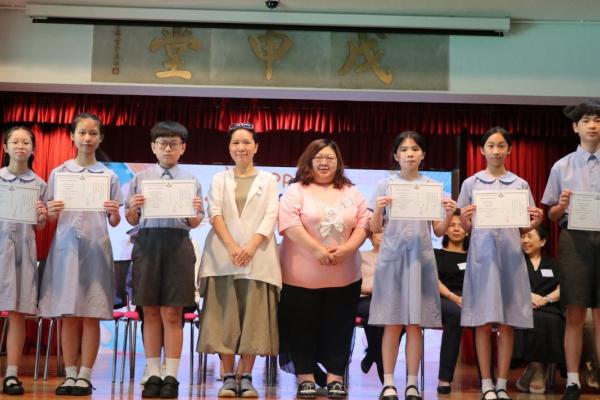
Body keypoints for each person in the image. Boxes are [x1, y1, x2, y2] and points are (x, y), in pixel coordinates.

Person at [278, 138, 370, 399]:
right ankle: (305, 377)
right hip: (299, 277)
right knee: (301, 327)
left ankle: (335, 378)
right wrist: (317, 249)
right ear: (309, 161)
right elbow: (289, 224)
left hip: (344, 277)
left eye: (330, 157)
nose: (324, 162)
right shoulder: (296, 190)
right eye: (318, 157)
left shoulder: (352, 192)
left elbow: (364, 223)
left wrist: (348, 248)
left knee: (339, 328)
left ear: (338, 162)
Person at [39, 113, 122, 396]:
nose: (87, 138)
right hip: (66, 250)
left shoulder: (108, 176)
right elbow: (51, 217)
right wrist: (50, 211)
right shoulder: (59, 173)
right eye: (82, 133)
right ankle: (70, 374)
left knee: (91, 314)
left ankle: (85, 375)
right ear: (72, 136)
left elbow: (114, 222)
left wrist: (114, 213)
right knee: (69, 313)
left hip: (96, 249)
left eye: (93, 133)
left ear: (100, 138)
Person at [369, 131, 456, 400]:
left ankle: (411, 383)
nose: (410, 154)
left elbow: (439, 231)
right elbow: (374, 227)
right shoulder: (385, 185)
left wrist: (449, 213)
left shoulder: (432, 187)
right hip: (392, 260)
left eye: (415, 149)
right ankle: (388, 382)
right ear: (396, 155)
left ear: (423, 155)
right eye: (404, 149)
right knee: (392, 323)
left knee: (415, 324)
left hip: (421, 260)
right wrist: (379, 209)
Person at [458, 126, 543, 400]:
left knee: (507, 324)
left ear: (509, 150)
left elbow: (521, 227)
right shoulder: (471, 184)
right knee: (483, 323)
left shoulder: (520, 185)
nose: (496, 151)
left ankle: (502, 384)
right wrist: (465, 221)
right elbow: (466, 227)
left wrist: (535, 223)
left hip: (510, 260)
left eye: (501, 145)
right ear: (482, 150)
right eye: (491, 146)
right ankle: (486, 383)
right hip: (482, 260)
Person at [197, 122, 281, 398]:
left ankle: (245, 376)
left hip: (259, 257)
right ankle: (226, 377)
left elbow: (271, 215)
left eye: (246, 142)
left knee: (253, 318)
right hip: (222, 257)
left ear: (256, 147)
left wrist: (251, 246)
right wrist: (233, 247)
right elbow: (215, 213)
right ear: (229, 147)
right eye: (236, 142)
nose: (241, 147)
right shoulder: (220, 179)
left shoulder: (269, 180)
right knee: (224, 318)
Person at [125, 121, 204, 398]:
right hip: (147, 243)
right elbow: (131, 219)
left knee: (172, 313)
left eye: (173, 144)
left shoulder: (191, 181)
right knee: (150, 311)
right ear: (153, 147)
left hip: (178, 244)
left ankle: (171, 375)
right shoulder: (140, 179)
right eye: (162, 144)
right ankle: (153, 373)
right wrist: (133, 208)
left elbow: (194, 222)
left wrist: (194, 213)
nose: (168, 149)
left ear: (183, 148)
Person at [541, 100, 600, 400]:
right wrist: (562, 205)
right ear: (575, 127)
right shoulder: (561, 166)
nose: (593, 125)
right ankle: (573, 380)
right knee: (575, 312)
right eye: (586, 120)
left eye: (597, 119)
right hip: (574, 241)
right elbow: (551, 215)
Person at [0, 126, 47, 396]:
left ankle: (11, 374)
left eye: (26, 142)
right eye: (15, 141)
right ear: (5, 147)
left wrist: (41, 217)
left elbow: (40, 225)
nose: (20, 146)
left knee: (17, 312)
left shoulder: (39, 184)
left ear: (32, 148)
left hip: (22, 254)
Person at [513, 225, 564, 394]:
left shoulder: (554, 264)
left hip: (549, 307)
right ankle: (538, 368)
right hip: (522, 306)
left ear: (542, 242)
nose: (525, 240)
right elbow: (510, 285)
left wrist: (546, 299)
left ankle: (533, 369)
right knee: (533, 318)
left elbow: (562, 288)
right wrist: (529, 296)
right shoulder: (515, 262)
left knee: (551, 320)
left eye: (530, 236)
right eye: (522, 237)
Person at [435, 211, 469, 394]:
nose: (456, 229)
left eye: (461, 225)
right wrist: (452, 297)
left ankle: (487, 381)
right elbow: (433, 280)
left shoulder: (473, 255)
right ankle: (445, 378)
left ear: (468, 230)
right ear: (445, 230)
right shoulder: (436, 254)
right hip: (442, 298)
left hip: (468, 299)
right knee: (456, 314)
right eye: (452, 225)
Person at [357, 231, 384, 384]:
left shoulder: (396, 258)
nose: (383, 235)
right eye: (379, 232)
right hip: (364, 297)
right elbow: (352, 280)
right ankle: (376, 355)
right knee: (373, 310)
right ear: (370, 237)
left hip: (387, 301)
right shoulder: (361, 255)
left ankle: (372, 353)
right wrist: (366, 289)